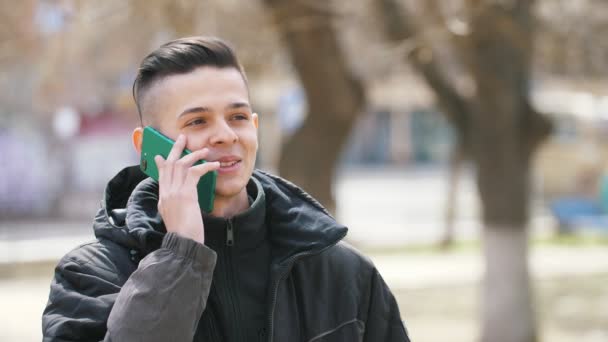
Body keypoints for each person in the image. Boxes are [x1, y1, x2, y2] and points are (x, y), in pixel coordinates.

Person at [42, 36, 410, 342]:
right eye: (198, 120)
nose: (225, 134)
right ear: (147, 147)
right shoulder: (91, 276)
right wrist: (180, 256)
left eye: (237, 117)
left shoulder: (341, 272)